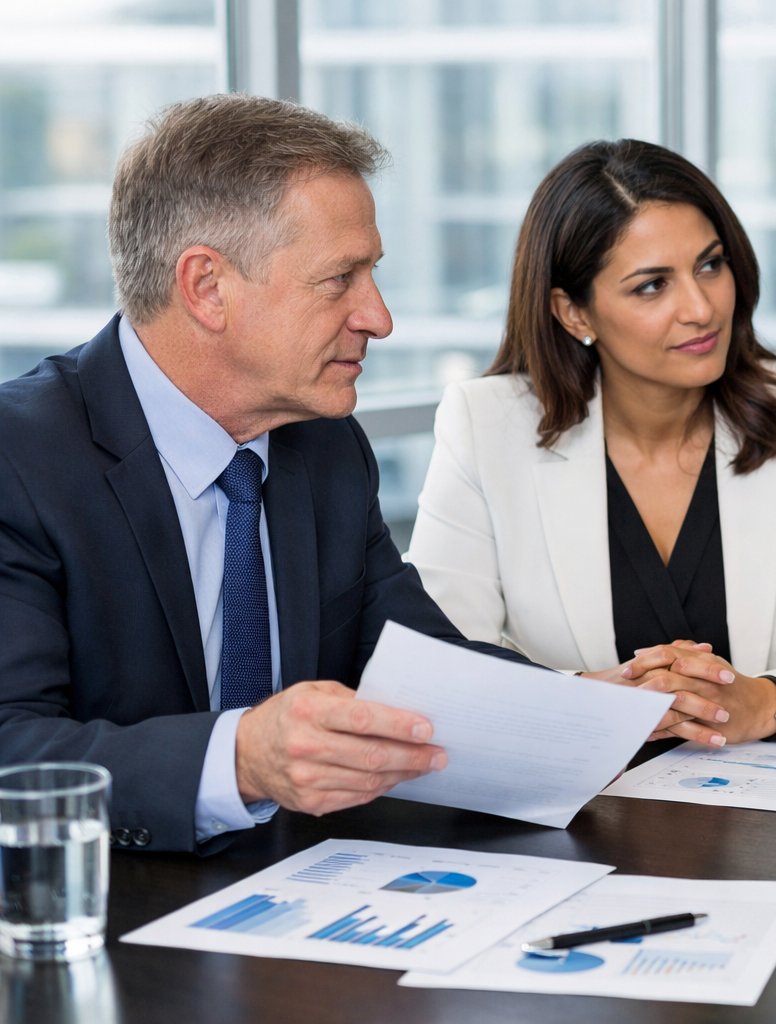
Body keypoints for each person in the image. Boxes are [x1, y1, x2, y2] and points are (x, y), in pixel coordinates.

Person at [0, 94, 576, 853]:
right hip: (98, 916)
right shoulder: (21, 458)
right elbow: (14, 753)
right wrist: (240, 761)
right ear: (207, 287)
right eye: (341, 279)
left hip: (306, 901)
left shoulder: (326, 448)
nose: (379, 317)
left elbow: (428, 673)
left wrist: (584, 708)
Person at [407, 139, 776, 746]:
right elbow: (442, 669)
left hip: (774, 820)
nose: (700, 308)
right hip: (578, 816)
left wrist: (772, 702)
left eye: (710, 265)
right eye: (652, 286)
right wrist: (584, 702)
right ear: (574, 313)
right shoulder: (483, 426)